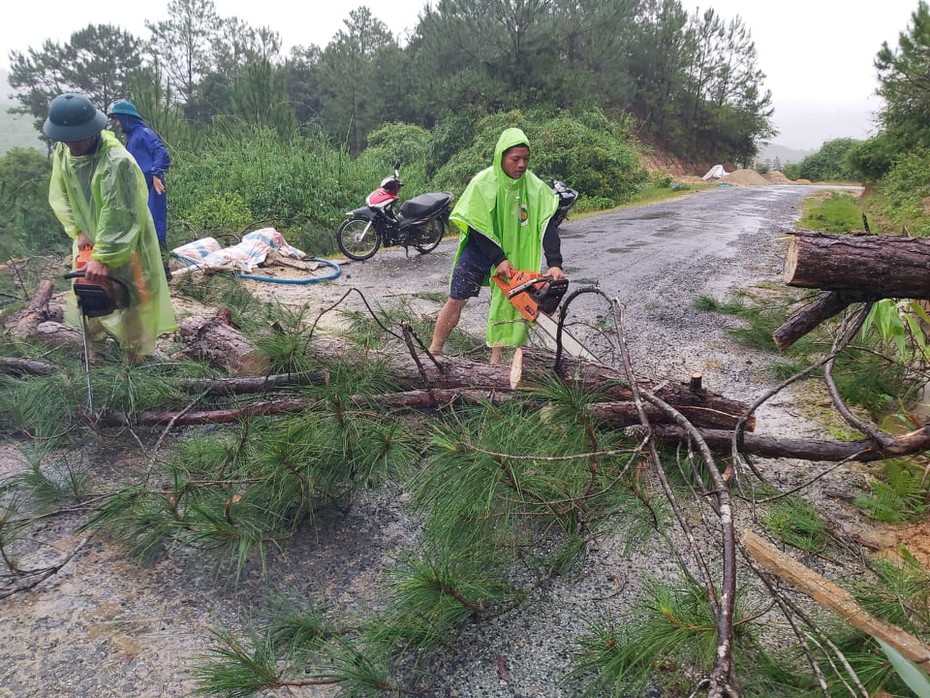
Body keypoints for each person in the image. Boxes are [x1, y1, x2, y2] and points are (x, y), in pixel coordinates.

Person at [44, 92, 176, 363]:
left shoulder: (117, 163)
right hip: (88, 239)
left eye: (76, 137)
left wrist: (104, 256)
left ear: (92, 130)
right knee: (89, 294)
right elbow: (61, 193)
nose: (71, 144)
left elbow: (122, 215)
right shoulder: (64, 153)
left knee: (131, 297)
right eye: (65, 139)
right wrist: (77, 230)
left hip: (125, 242)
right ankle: (95, 353)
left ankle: (135, 362)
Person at [429, 127, 563, 364]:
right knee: (456, 299)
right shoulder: (483, 183)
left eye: (525, 159)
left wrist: (555, 263)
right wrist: (497, 257)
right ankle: (434, 352)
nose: (521, 165)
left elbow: (548, 224)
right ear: (501, 156)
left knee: (512, 303)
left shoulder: (535, 187)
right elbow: (476, 225)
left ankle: (497, 367)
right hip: (480, 250)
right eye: (515, 159)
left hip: (515, 253)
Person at [106, 99, 171, 247]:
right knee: (143, 228)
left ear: (126, 118)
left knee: (154, 226)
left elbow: (161, 153)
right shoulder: (131, 138)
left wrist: (156, 174)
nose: (117, 124)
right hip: (140, 190)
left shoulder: (144, 134)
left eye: (118, 120)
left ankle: (163, 263)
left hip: (152, 187)